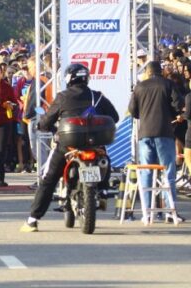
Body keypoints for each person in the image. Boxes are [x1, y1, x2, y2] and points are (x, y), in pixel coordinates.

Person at [20, 63, 119, 232]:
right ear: (86, 78)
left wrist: (41, 125)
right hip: (94, 146)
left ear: (68, 78)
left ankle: (33, 220)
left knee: (48, 179)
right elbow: (114, 117)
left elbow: (46, 121)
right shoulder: (97, 96)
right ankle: (103, 190)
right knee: (104, 158)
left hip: (68, 146)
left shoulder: (62, 97)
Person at [128, 60, 185, 223]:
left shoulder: (139, 87)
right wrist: (172, 114)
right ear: (160, 71)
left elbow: (133, 111)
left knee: (147, 172)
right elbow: (178, 104)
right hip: (164, 133)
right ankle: (169, 211)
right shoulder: (168, 84)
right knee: (168, 172)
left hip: (145, 134)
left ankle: (147, 212)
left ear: (147, 72)